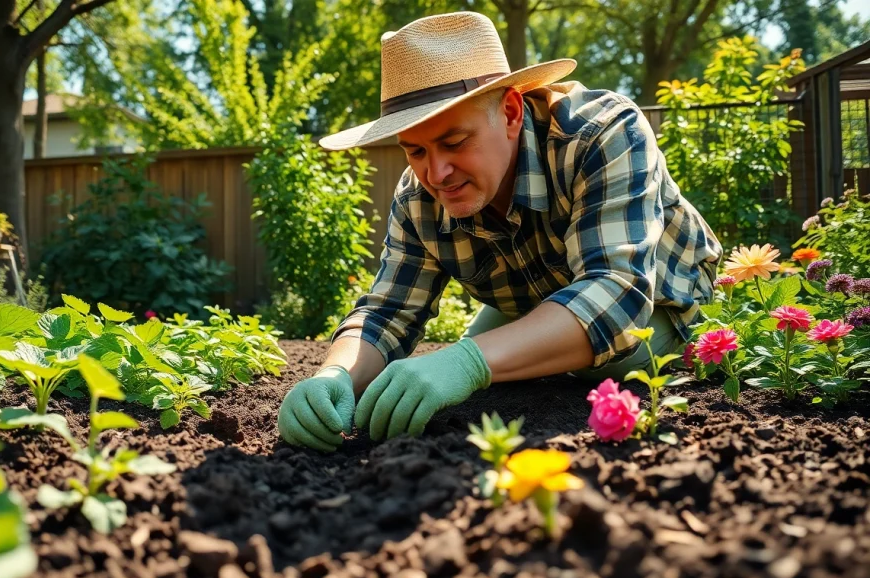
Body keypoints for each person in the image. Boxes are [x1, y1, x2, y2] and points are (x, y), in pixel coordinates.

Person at [277, 11, 722, 452]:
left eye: (454, 142)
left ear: (510, 111)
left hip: (664, 304)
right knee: (481, 372)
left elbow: (617, 296)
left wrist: (468, 362)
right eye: (415, 150)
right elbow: (386, 314)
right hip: (540, 301)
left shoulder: (599, 134)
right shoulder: (419, 197)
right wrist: (334, 375)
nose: (437, 173)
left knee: (573, 368)